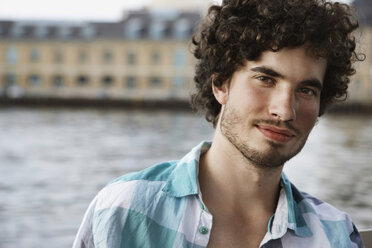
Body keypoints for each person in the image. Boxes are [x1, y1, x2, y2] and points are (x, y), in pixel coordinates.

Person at [73, 0, 365, 247]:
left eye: (306, 90)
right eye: (266, 79)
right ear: (221, 84)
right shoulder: (124, 209)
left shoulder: (335, 235)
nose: (285, 110)